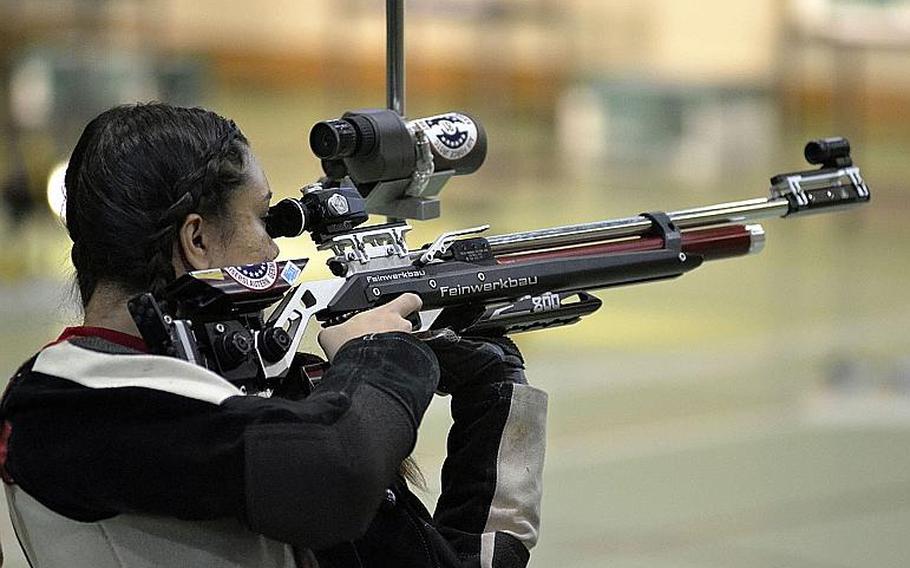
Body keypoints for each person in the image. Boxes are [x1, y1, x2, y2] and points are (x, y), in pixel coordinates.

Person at [0, 103, 548, 567]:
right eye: (263, 220)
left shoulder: (223, 404)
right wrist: (376, 360)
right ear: (197, 239)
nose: (273, 250)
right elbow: (338, 474)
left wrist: (494, 390)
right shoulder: (67, 404)